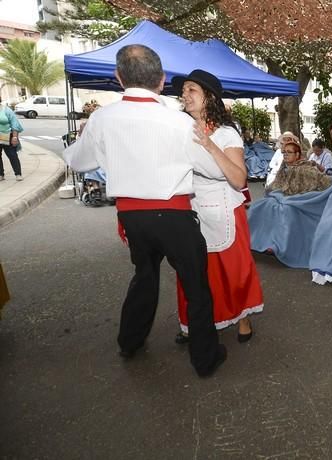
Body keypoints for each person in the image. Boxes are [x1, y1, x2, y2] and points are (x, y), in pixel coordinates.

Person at [62, 44, 226, 377]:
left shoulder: (103, 118)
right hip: (176, 215)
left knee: (144, 277)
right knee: (195, 285)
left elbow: (78, 160)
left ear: (119, 77)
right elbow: (213, 170)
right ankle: (205, 358)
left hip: (133, 216)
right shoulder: (178, 122)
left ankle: (130, 341)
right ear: (162, 79)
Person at [171, 69, 264, 345]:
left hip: (224, 207)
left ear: (209, 97)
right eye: (184, 90)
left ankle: (242, 317)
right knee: (193, 269)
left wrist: (210, 145)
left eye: (191, 90)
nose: (185, 95)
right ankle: (193, 323)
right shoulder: (179, 129)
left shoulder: (226, 134)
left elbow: (238, 179)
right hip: (190, 205)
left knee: (232, 269)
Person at [0, 99, 24, 181]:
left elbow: (14, 123)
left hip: (6, 135)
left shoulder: (6, 110)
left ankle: (18, 174)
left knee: (12, 155)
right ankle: (0, 174)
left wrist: (14, 137)